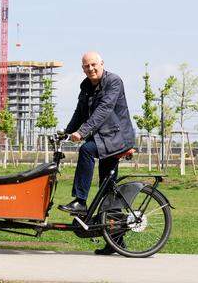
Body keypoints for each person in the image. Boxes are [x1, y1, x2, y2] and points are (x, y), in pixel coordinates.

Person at [58, 51, 135, 255]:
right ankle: (116, 243)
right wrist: (65, 132)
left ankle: (80, 201)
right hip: (103, 138)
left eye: (93, 65)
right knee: (108, 192)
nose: (90, 69)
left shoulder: (114, 82)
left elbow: (104, 110)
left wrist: (82, 132)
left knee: (85, 150)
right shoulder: (85, 85)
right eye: (86, 66)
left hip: (116, 137)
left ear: (102, 63)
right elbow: (79, 112)